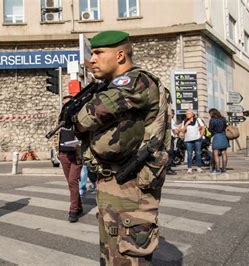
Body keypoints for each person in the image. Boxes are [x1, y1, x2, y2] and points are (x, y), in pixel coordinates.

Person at [74, 31, 170, 265]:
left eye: (98, 53)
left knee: (128, 256)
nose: (91, 60)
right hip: (115, 184)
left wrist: (78, 114)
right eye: (91, 53)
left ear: (119, 55)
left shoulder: (136, 81)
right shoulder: (112, 86)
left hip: (132, 187)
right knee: (112, 254)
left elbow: (86, 118)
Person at [58, 95, 83, 223]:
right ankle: (79, 206)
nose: (65, 107)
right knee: (70, 183)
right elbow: (58, 135)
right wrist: (58, 152)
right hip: (63, 154)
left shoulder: (80, 118)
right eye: (63, 105)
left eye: (67, 105)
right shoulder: (61, 119)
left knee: (73, 181)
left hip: (76, 154)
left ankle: (73, 210)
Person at [179, 109, 205, 174]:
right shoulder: (184, 121)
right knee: (189, 154)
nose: (187, 115)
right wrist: (186, 124)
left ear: (192, 114)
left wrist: (201, 135)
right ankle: (189, 168)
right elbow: (182, 131)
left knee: (198, 153)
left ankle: (199, 167)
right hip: (188, 140)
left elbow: (203, 127)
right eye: (186, 114)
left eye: (189, 113)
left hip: (197, 139)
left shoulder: (197, 120)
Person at [208, 108, 229, 173]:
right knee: (224, 152)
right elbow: (225, 127)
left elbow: (210, 130)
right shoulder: (223, 119)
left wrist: (209, 130)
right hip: (223, 136)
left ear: (211, 113)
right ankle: (224, 168)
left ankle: (217, 168)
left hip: (216, 136)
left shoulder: (212, 120)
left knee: (216, 153)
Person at [165, 109, 178, 175]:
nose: (173, 115)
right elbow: (174, 130)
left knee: (168, 153)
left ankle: (167, 168)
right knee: (170, 153)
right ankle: (168, 168)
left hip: (168, 138)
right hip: (169, 138)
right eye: (173, 113)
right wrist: (178, 132)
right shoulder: (170, 120)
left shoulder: (166, 120)